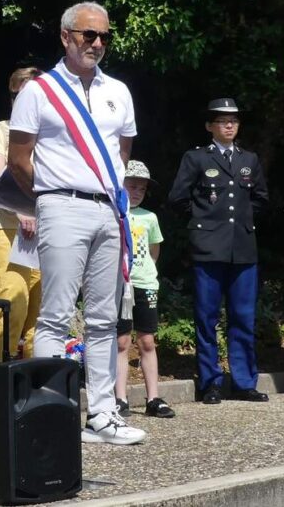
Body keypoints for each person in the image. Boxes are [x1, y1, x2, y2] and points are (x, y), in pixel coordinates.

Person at [8, 1, 146, 446]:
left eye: (105, 36)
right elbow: (18, 159)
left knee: (106, 318)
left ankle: (103, 413)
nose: (99, 44)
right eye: (89, 35)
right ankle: (53, 411)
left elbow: (120, 154)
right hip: (61, 206)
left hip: (109, 207)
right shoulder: (39, 91)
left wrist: (102, 190)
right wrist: (50, 195)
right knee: (56, 314)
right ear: (66, 36)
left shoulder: (119, 91)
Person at [167, 98, 269, 404]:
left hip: (243, 249)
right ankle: (210, 381)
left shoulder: (249, 159)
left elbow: (261, 199)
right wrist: (205, 221)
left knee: (243, 316)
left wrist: (241, 223)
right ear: (210, 125)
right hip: (208, 247)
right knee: (207, 317)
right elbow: (178, 198)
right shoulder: (197, 158)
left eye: (234, 121)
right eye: (222, 120)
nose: (229, 125)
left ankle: (243, 381)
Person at [0, 66, 44, 366]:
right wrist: (24, 207)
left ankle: (32, 385)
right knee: (13, 298)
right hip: (6, 229)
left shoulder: (51, 137)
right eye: (20, 94)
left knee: (40, 314)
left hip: (46, 234)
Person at [114, 160, 174, 418]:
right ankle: (119, 398)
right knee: (121, 341)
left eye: (142, 188)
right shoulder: (114, 213)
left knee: (147, 340)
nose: (137, 192)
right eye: (131, 186)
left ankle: (153, 397)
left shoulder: (150, 217)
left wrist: (145, 271)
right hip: (120, 284)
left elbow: (154, 250)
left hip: (145, 283)